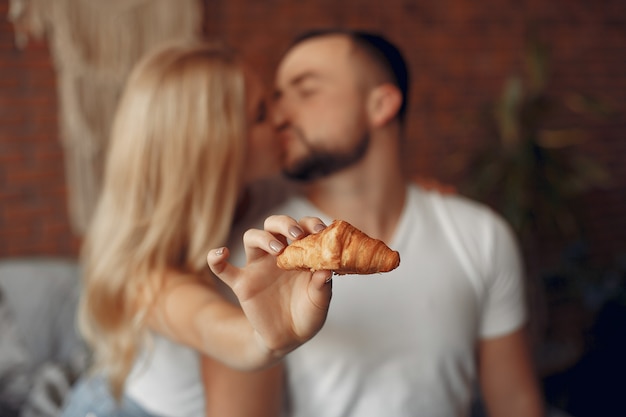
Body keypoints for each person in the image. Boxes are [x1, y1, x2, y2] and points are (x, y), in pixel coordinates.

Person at [227, 29, 545, 417]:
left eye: (306, 91)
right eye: (277, 97)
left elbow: (515, 402)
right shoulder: (260, 251)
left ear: (381, 104)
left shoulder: (481, 235)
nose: (278, 116)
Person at [60, 41, 332, 417]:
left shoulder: (264, 192)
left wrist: (416, 196)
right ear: (216, 150)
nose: (282, 118)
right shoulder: (148, 276)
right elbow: (212, 327)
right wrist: (265, 339)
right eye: (261, 113)